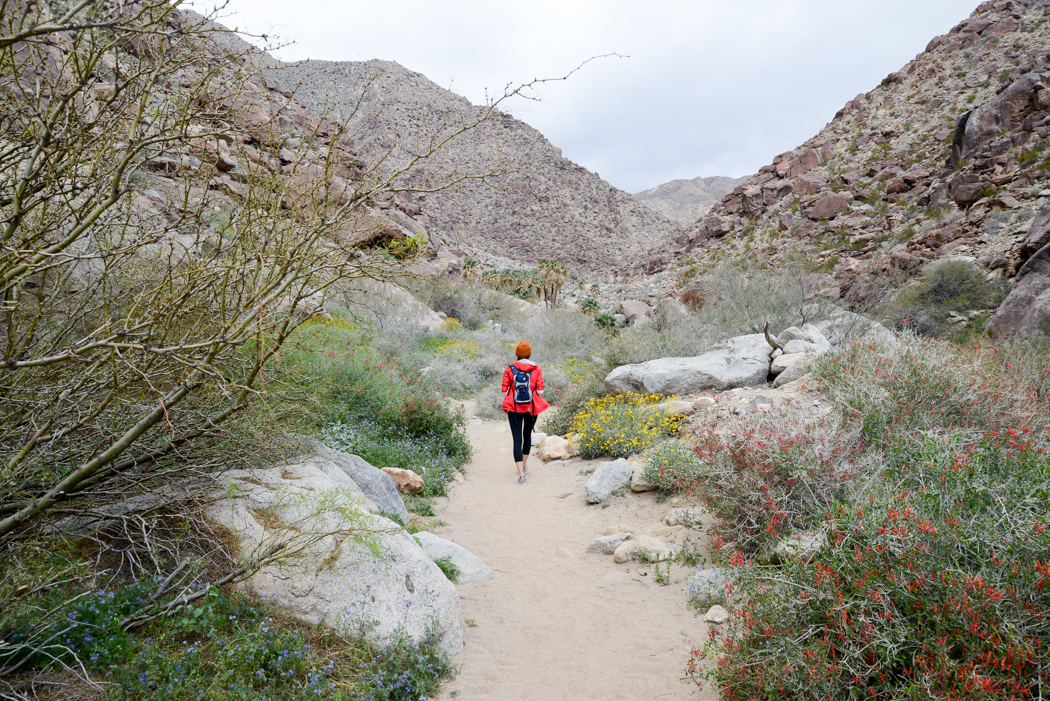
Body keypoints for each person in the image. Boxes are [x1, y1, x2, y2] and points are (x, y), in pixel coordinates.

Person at [501, 341, 550, 484]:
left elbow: (504, 390)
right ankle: (524, 464)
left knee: (517, 440)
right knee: (527, 435)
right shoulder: (536, 368)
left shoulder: (510, 369)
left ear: (517, 354)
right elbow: (540, 391)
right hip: (531, 407)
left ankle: (521, 475)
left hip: (514, 408)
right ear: (529, 353)